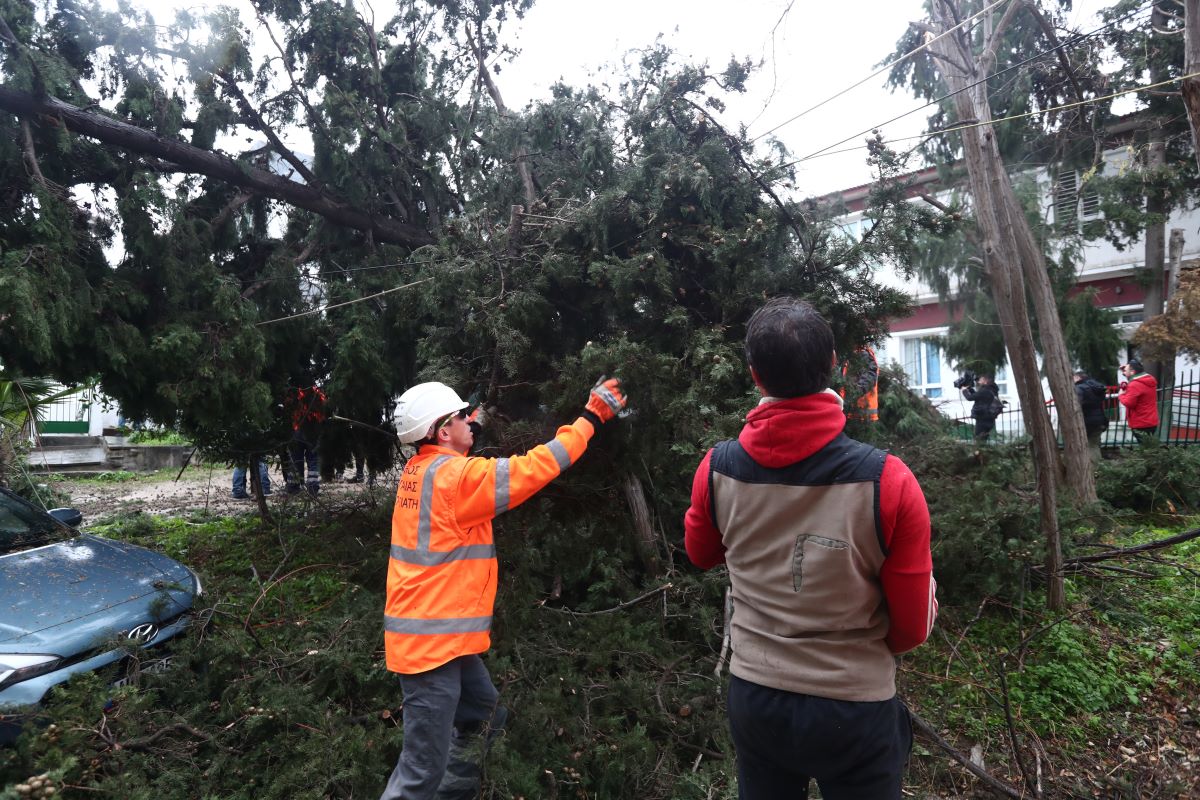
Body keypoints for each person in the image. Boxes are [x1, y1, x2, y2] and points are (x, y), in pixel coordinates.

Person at [684, 297, 937, 800]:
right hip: (854, 708)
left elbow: (700, 555)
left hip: (756, 697)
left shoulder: (716, 470)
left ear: (755, 376)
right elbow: (910, 631)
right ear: (834, 368)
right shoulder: (888, 481)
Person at [380, 376, 627, 800]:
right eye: (460, 417)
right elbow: (533, 468)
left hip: (441, 639)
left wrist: (465, 428)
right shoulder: (456, 479)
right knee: (420, 772)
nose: (468, 422)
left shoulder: (420, 470)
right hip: (431, 651)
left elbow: (454, 460)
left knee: (483, 715)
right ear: (442, 431)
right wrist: (589, 419)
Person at [284, 385, 326, 495]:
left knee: (296, 460)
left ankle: (293, 487)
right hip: (312, 432)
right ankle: (312, 487)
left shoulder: (294, 395)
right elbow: (323, 414)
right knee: (313, 460)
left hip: (297, 431)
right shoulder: (318, 396)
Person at [1118, 359, 1159, 444]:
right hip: (1151, 421)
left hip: (1140, 423)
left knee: (1145, 449)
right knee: (1148, 447)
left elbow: (1129, 403)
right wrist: (1126, 369)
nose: (1123, 373)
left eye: (1125, 371)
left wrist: (1121, 395)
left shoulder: (1134, 384)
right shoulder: (1148, 380)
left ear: (1133, 372)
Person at [1073, 371, 1108, 466]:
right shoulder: (1097, 387)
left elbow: (1076, 404)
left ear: (1078, 377)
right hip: (1100, 419)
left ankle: (1094, 469)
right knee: (1095, 445)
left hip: (1087, 421)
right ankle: (1099, 467)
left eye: (1073, 377)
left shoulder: (1079, 388)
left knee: (1090, 446)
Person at [840, 346, 879, 422]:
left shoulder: (862, 354)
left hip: (861, 415)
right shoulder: (852, 354)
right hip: (855, 413)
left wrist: (847, 402)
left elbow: (867, 381)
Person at [962, 373, 999, 444]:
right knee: (983, 440)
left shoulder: (984, 391)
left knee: (978, 441)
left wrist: (964, 390)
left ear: (985, 380)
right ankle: (982, 453)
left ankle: (980, 453)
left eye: (981, 378)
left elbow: (970, 398)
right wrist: (969, 389)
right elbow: (978, 397)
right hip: (990, 418)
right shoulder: (992, 389)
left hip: (982, 419)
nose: (979, 380)